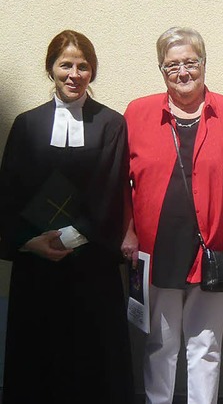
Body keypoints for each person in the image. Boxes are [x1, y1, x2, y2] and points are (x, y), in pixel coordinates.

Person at [121, 27, 223, 404]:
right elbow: (121, 182)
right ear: (160, 70)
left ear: (204, 63)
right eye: (172, 66)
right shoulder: (138, 113)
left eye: (190, 62)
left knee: (206, 345)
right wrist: (128, 233)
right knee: (160, 343)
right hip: (158, 250)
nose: (183, 72)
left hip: (214, 251)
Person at [0, 30, 134, 404]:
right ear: (51, 69)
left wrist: (70, 239)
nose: (74, 74)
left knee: (92, 360)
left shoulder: (111, 124)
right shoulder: (27, 124)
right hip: (37, 263)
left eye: (83, 66)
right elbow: (9, 191)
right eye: (65, 65)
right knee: (38, 360)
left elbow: (110, 192)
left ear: (92, 71)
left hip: (91, 264)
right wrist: (29, 242)